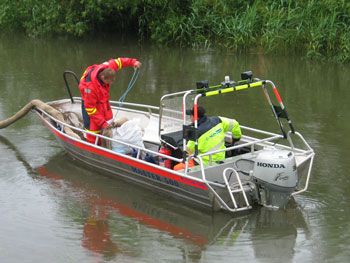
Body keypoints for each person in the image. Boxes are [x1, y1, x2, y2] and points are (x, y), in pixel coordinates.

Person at [79, 57, 141, 144]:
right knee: (93, 130)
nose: (111, 84)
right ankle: (92, 145)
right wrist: (103, 123)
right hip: (90, 102)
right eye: (109, 82)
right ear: (102, 77)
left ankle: (106, 140)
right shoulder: (89, 88)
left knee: (108, 120)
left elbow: (119, 62)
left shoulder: (108, 68)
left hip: (101, 99)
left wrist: (133, 62)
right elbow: (90, 109)